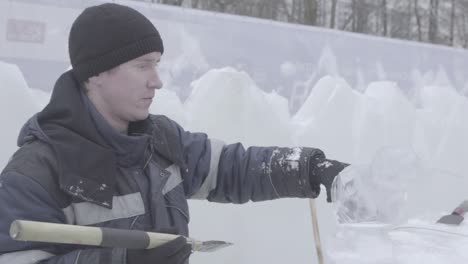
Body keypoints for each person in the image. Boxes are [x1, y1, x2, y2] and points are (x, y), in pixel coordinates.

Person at [0, 3, 349, 264]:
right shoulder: (36, 175)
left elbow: (231, 168)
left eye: (157, 64)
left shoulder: (160, 140)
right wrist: (121, 260)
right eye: (142, 66)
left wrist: (308, 168)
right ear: (95, 74)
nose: (157, 80)